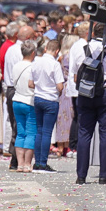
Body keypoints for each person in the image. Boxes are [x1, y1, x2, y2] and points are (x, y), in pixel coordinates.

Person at [74, 22, 106, 185]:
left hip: (85, 93)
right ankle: (104, 174)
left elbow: (76, 77)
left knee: (84, 133)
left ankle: (81, 175)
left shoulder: (81, 49)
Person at [30, 38, 64, 172]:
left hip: (38, 97)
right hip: (50, 99)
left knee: (39, 130)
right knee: (47, 132)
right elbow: (60, 86)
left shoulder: (36, 62)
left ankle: (37, 162)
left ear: (45, 49)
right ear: (57, 51)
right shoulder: (55, 64)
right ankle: (43, 163)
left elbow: (30, 83)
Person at [11, 40, 37, 172]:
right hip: (29, 100)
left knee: (20, 133)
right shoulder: (33, 67)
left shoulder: (16, 66)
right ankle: (27, 163)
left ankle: (20, 164)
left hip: (17, 99)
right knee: (31, 133)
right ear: (33, 53)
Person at [55, 34, 78, 157]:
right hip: (71, 86)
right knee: (70, 116)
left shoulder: (61, 57)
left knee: (62, 117)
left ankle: (60, 146)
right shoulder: (71, 57)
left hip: (63, 87)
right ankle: (69, 145)